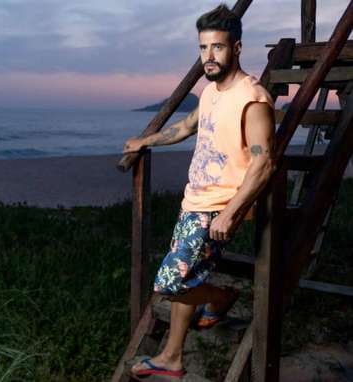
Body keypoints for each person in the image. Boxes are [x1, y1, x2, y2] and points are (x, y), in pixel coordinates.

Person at [123, 4, 275, 378]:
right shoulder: (210, 92)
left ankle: (223, 298)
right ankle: (172, 357)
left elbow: (264, 163)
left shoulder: (252, 97)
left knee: (170, 282)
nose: (208, 56)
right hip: (194, 200)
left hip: (216, 207)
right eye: (203, 48)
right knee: (188, 277)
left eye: (217, 47)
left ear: (236, 48)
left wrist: (230, 212)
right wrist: (146, 140)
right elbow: (189, 125)